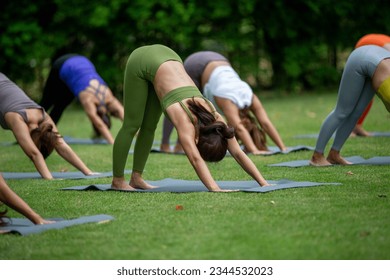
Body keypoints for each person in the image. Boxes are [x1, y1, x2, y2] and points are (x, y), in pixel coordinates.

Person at [111, 44, 269, 191]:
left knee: (149, 127)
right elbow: (195, 159)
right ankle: (118, 181)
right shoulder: (186, 122)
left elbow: (239, 154)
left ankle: (136, 178)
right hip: (142, 60)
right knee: (132, 125)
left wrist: (263, 182)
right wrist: (215, 188)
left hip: (168, 57)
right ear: (197, 140)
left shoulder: (218, 122)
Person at [160, 51, 286, 154]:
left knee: (190, 106)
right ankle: (165, 144)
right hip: (196, 65)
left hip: (219, 59)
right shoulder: (228, 98)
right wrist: (254, 150)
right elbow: (240, 128)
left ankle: (178, 145)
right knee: (180, 102)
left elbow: (265, 123)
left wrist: (283, 148)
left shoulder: (250, 96)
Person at [0, 72, 95, 179]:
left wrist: (88, 172)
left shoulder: (43, 115)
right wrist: (50, 179)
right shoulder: (17, 117)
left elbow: (60, 144)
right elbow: (34, 154)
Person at [310, 45, 390, 166]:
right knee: (342, 111)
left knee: (357, 112)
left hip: (375, 66)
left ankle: (334, 154)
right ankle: (317, 156)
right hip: (360, 59)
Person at [40, 54, 124, 144]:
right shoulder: (88, 100)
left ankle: (46, 135)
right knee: (47, 103)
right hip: (62, 64)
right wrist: (112, 142)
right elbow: (100, 125)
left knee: (60, 105)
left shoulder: (109, 97)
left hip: (82, 61)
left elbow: (129, 121)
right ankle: (32, 130)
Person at [352, 34, 390, 136]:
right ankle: (351, 128)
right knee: (362, 91)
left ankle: (357, 126)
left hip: (372, 44)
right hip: (365, 45)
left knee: (368, 92)